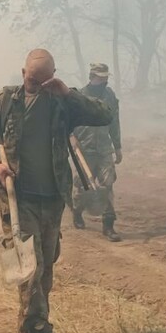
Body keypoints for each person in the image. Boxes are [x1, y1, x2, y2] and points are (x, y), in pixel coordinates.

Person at [0, 48, 112, 333]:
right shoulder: (6, 102)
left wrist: (67, 93)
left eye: (44, 80)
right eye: (33, 80)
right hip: (17, 198)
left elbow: (104, 115)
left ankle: (27, 327)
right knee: (29, 266)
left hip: (52, 199)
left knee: (46, 267)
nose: (37, 85)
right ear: (23, 74)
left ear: (54, 75)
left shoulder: (63, 102)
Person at [71, 62, 123, 242]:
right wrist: (70, 137)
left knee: (107, 185)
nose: (104, 80)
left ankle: (108, 226)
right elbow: (67, 121)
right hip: (83, 149)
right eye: (101, 77)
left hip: (104, 148)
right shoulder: (79, 97)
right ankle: (77, 212)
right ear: (92, 77)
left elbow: (114, 122)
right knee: (84, 187)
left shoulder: (110, 96)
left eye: (106, 77)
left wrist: (117, 146)